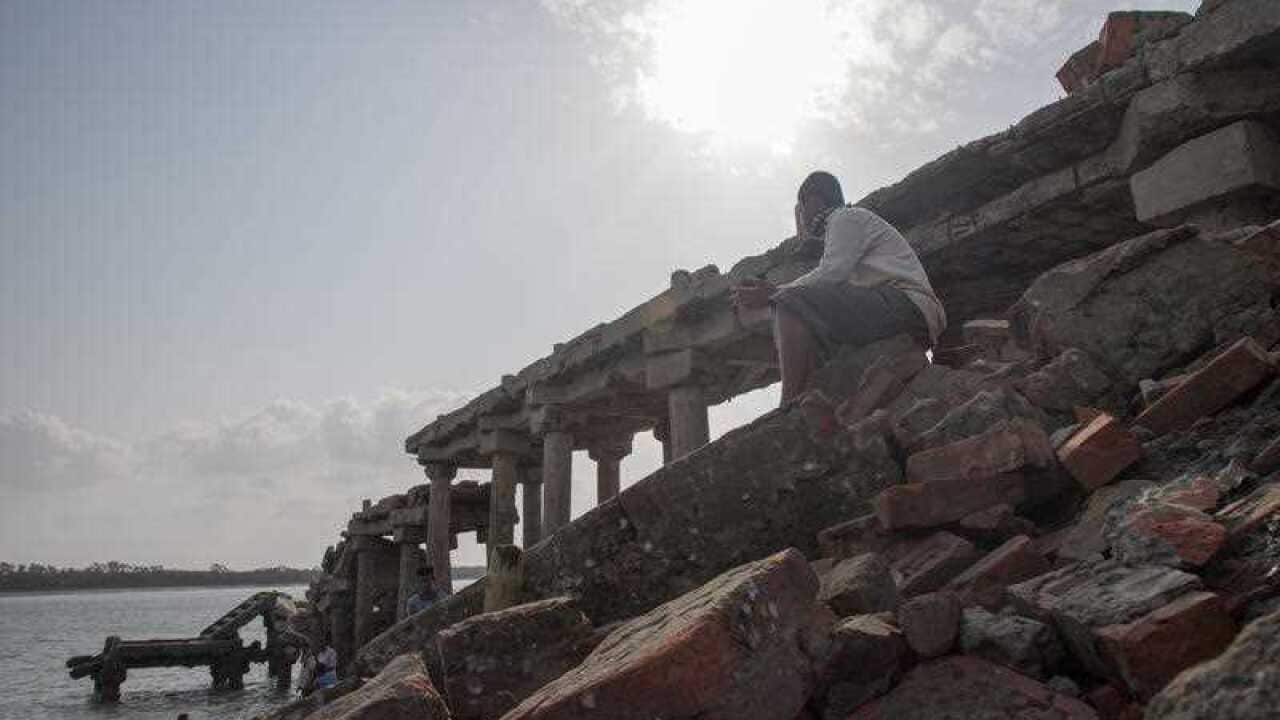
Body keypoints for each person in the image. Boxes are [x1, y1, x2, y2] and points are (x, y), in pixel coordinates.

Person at [732, 171, 946, 405]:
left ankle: (789, 404)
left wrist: (776, 294)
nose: (801, 221)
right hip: (906, 313)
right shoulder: (848, 224)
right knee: (805, 317)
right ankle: (810, 400)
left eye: (800, 211)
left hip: (905, 306)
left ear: (813, 201)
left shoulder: (844, 218)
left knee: (787, 303)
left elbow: (832, 273)